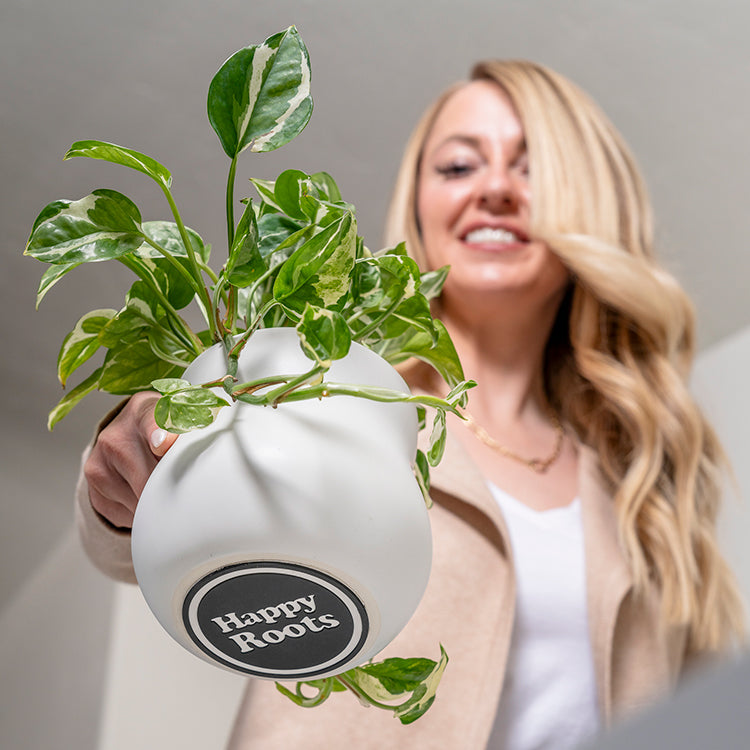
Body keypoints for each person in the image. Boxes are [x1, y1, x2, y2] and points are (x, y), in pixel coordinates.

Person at [76, 59, 746, 749]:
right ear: (420, 202)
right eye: (459, 167)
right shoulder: (326, 388)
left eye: (532, 167)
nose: (493, 189)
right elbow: (146, 544)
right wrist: (128, 481)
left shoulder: (642, 478)